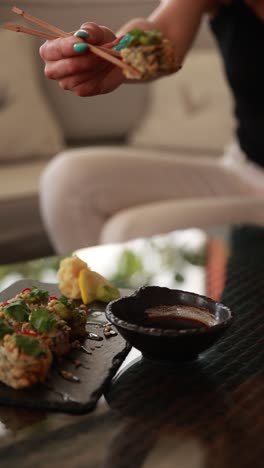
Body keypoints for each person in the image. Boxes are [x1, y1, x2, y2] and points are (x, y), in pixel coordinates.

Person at [39, 0, 264, 254]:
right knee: (67, 178)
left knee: (126, 232)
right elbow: (163, 32)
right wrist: (118, 52)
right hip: (245, 165)